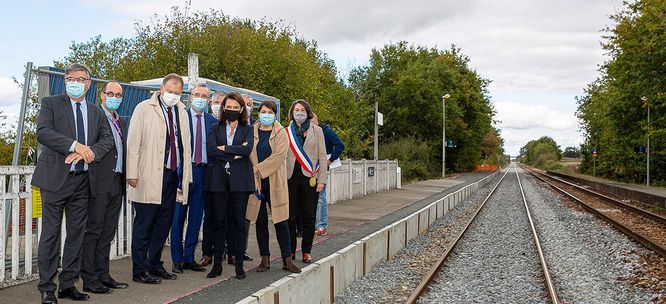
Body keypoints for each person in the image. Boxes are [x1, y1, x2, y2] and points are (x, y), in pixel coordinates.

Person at [32, 63, 114, 303]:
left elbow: (107, 139)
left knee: (77, 235)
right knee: (50, 235)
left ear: (89, 83)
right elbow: (43, 132)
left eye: (81, 79)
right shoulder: (51, 103)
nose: (75, 82)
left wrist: (88, 152)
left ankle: (67, 284)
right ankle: (47, 287)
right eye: (71, 78)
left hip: (83, 181)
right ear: (65, 81)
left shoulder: (96, 111)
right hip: (55, 180)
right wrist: (74, 145)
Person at [126, 73, 192, 284]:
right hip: (148, 174)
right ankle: (140, 269)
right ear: (161, 89)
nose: (173, 95)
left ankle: (155, 264)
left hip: (173, 175)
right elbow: (134, 142)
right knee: (144, 224)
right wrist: (132, 173)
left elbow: (184, 144)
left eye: (177, 92)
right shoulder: (144, 108)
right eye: (170, 91)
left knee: (163, 224)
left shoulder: (181, 111)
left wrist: (186, 175)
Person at [81, 81, 130, 295]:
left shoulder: (120, 121)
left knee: (108, 230)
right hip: (98, 181)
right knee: (94, 230)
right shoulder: (94, 117)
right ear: (101, 95)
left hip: (116, 181)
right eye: (110, 93)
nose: (114, 98)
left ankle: (103, 274)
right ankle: (89, 278)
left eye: (118, 95)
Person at [247, 100, 301, 274]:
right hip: (256, 184)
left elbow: (278, 157)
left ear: (275, 114)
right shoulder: (251, 132)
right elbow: (247, 153)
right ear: (258, 113)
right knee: (260, 221)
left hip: (274, 181)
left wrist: (257, 170)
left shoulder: (281, 133)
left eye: (270, 112)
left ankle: (287, 260)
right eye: (263, 111)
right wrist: (254, 174)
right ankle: (265, 259)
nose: (266, 115)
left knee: (281, 221)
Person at [204, 92, 254, 279]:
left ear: (241, 109)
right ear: (223, 108)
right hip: (218, 180)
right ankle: (217, 264)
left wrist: (224, 149)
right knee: (219, 222)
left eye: (235, 107)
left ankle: (239, 264)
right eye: (229, 107)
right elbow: (211, 150)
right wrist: (234, 153)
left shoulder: (247, 129)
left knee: (239, 223)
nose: (231, 110)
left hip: (240, 181)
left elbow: (247, 150)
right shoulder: (214, 127)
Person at [170, 84, 216, 274]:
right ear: (190, 97)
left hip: (204, 173)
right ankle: (177, 259)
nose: (200, 98)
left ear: (208, 100)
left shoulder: (213, 122)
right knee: (178, 217)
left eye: (204, 96)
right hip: (183, 172)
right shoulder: (180, 118)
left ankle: (189, 258)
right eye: (196, 94)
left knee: (196, 218)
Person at [285, 99, 328, 263]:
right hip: (290, 178)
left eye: (302, 109)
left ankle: (306, 251)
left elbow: (323, 157)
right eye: (296, 109)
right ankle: (290, 250)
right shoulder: (286, 131)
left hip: (310, 178)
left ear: (307, 112)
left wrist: (322, 180)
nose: (299, 112)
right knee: (290, 216)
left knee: (309, 216)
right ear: (292, 112)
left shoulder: (317, 131)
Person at [200, 91, 226, 266]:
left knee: (224, 216)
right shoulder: (207, 122)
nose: (217, 104)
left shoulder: (233, 124)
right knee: (209, 216)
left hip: (228, 176)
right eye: (215, 101)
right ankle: (207, 252)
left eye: (221, 102)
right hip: (209, 174)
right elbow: (211, 148)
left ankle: (223, 250)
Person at [312, 114, 345, 236]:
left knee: (320, 196)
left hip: (322, 168)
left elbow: (340, 145)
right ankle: (312, 224)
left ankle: (321, 225)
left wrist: (330, 160)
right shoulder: (305, 132)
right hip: (309, 168)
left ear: (316, 119)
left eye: (312, 119)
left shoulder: (326, 131)